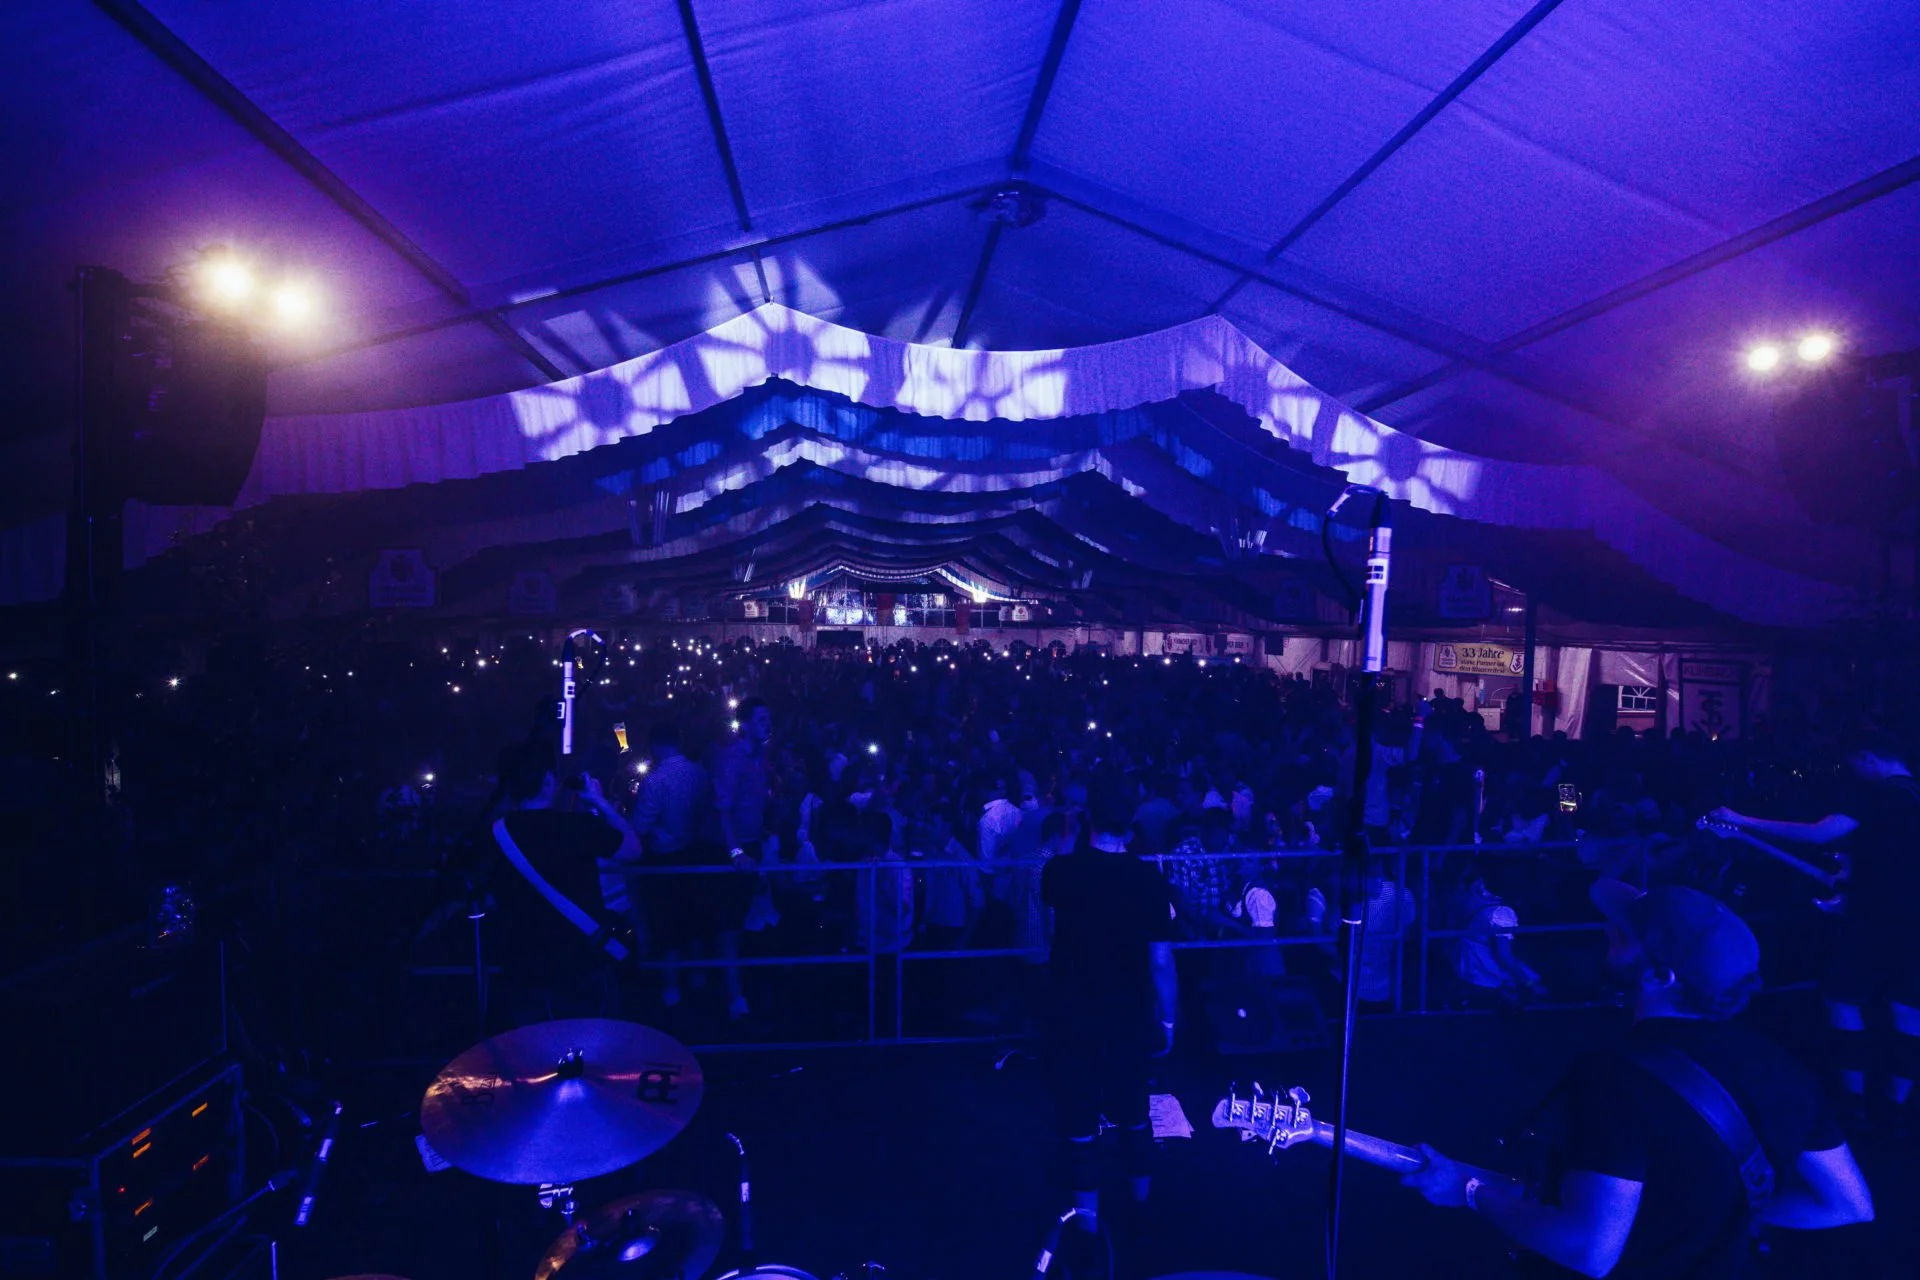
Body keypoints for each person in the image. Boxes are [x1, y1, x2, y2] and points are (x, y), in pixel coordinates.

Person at [1402, 881, 1872, 1278]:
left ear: (1661, 974)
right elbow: (1847, 1205)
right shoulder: (1785, 1070)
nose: (1609, 928)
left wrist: (1467, 1191)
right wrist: (1719, 1215)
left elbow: (1587, 1249)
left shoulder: (1615, 1079)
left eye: (1625, 933)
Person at [1710, 729, 1920, 1126]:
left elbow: (1820, 832)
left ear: (1870, 758)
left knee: (1842, 999)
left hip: (1877, 921)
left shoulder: (1880, 794)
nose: (1853, 770)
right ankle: (1896, 1107)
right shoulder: (1913, 796)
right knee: (1909, 1013)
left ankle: (1853, 1101)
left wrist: (1741, 820)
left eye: (1856, 762)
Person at [1040, 772, 1179, 1242]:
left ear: (1088, 817)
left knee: (1080, 1122)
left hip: (1072, 1015)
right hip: (1127, 1017)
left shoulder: (1062, 871)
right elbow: (1161, 962)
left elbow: (1050, 917)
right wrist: (1167, 1018)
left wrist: (1066, 839)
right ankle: (1142, 1212)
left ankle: (1087, 1228)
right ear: (1132, 819)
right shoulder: (1149, 879)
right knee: (1134, 1114)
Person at [483, 740, 641, 1021]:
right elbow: (632, 849)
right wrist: (599, 801)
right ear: (548, 779)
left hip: (523, 965)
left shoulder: (495, 835)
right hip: (580, 962)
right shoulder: (576, 827)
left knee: (531, 1056)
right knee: (593, 1051)